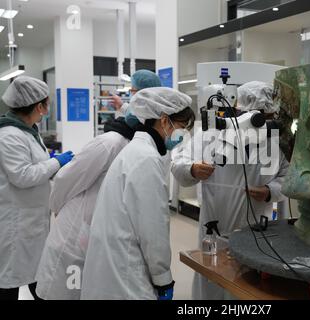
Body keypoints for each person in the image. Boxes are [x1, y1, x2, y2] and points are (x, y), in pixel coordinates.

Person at [34, 72, 162, 300]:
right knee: (66, 292)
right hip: (75, 237)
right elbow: (66, 179)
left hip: (106, 240)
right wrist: (56, 208)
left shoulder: (143, 148)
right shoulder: (109, 143)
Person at [171, 81, 290, 300]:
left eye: (270, 117)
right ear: (242, 111)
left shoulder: (272, 145)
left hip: (256, 234)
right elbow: (178, 164)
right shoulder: (210, 136)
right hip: (214, 232)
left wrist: (269, 190)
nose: (265, 123)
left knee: (248, 290)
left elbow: (287, 178)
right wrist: (193, 169)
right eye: (261, 116)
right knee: (212, 286)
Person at [81, 87, 195, 300]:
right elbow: (153, 230)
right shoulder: (146, 159)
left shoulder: (136, 150)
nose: (183, 134)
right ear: (164, 121)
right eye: (181, 126)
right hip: (126, 273)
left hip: (114, 263)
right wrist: (163, 279)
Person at [0, 76, 73, 300]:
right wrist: (56, 162)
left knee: (37, 275)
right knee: (9, 280)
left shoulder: (28, 130)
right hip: (17, 221)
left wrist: (54, 167)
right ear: (38, 106)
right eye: (47, 104)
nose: (48, 109)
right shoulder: (9, 135)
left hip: (32, 219)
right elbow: (23, 175)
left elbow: (35, 167)